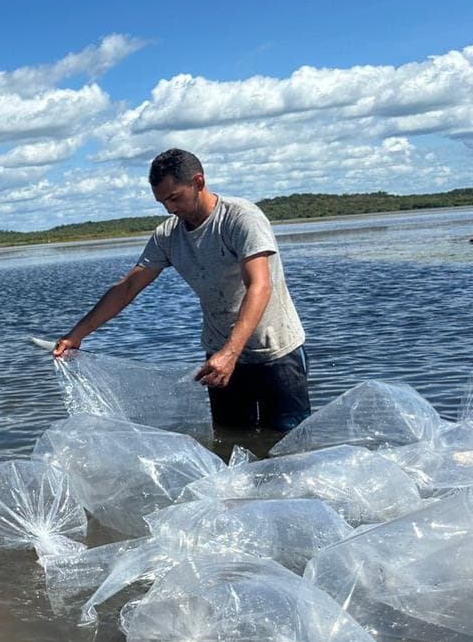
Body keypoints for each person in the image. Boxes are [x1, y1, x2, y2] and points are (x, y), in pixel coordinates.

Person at [54, 149, 310, 431]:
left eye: (174, 197)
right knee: (232, 442)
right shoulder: (168, 235)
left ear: (198, 182)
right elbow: (128, 287)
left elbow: (259, 286)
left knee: (290, 445)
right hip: (218, 359)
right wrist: (76, 335)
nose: (169, 208)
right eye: (162, 201)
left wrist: (231, 352)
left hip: (275, 352)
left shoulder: (240, 218)